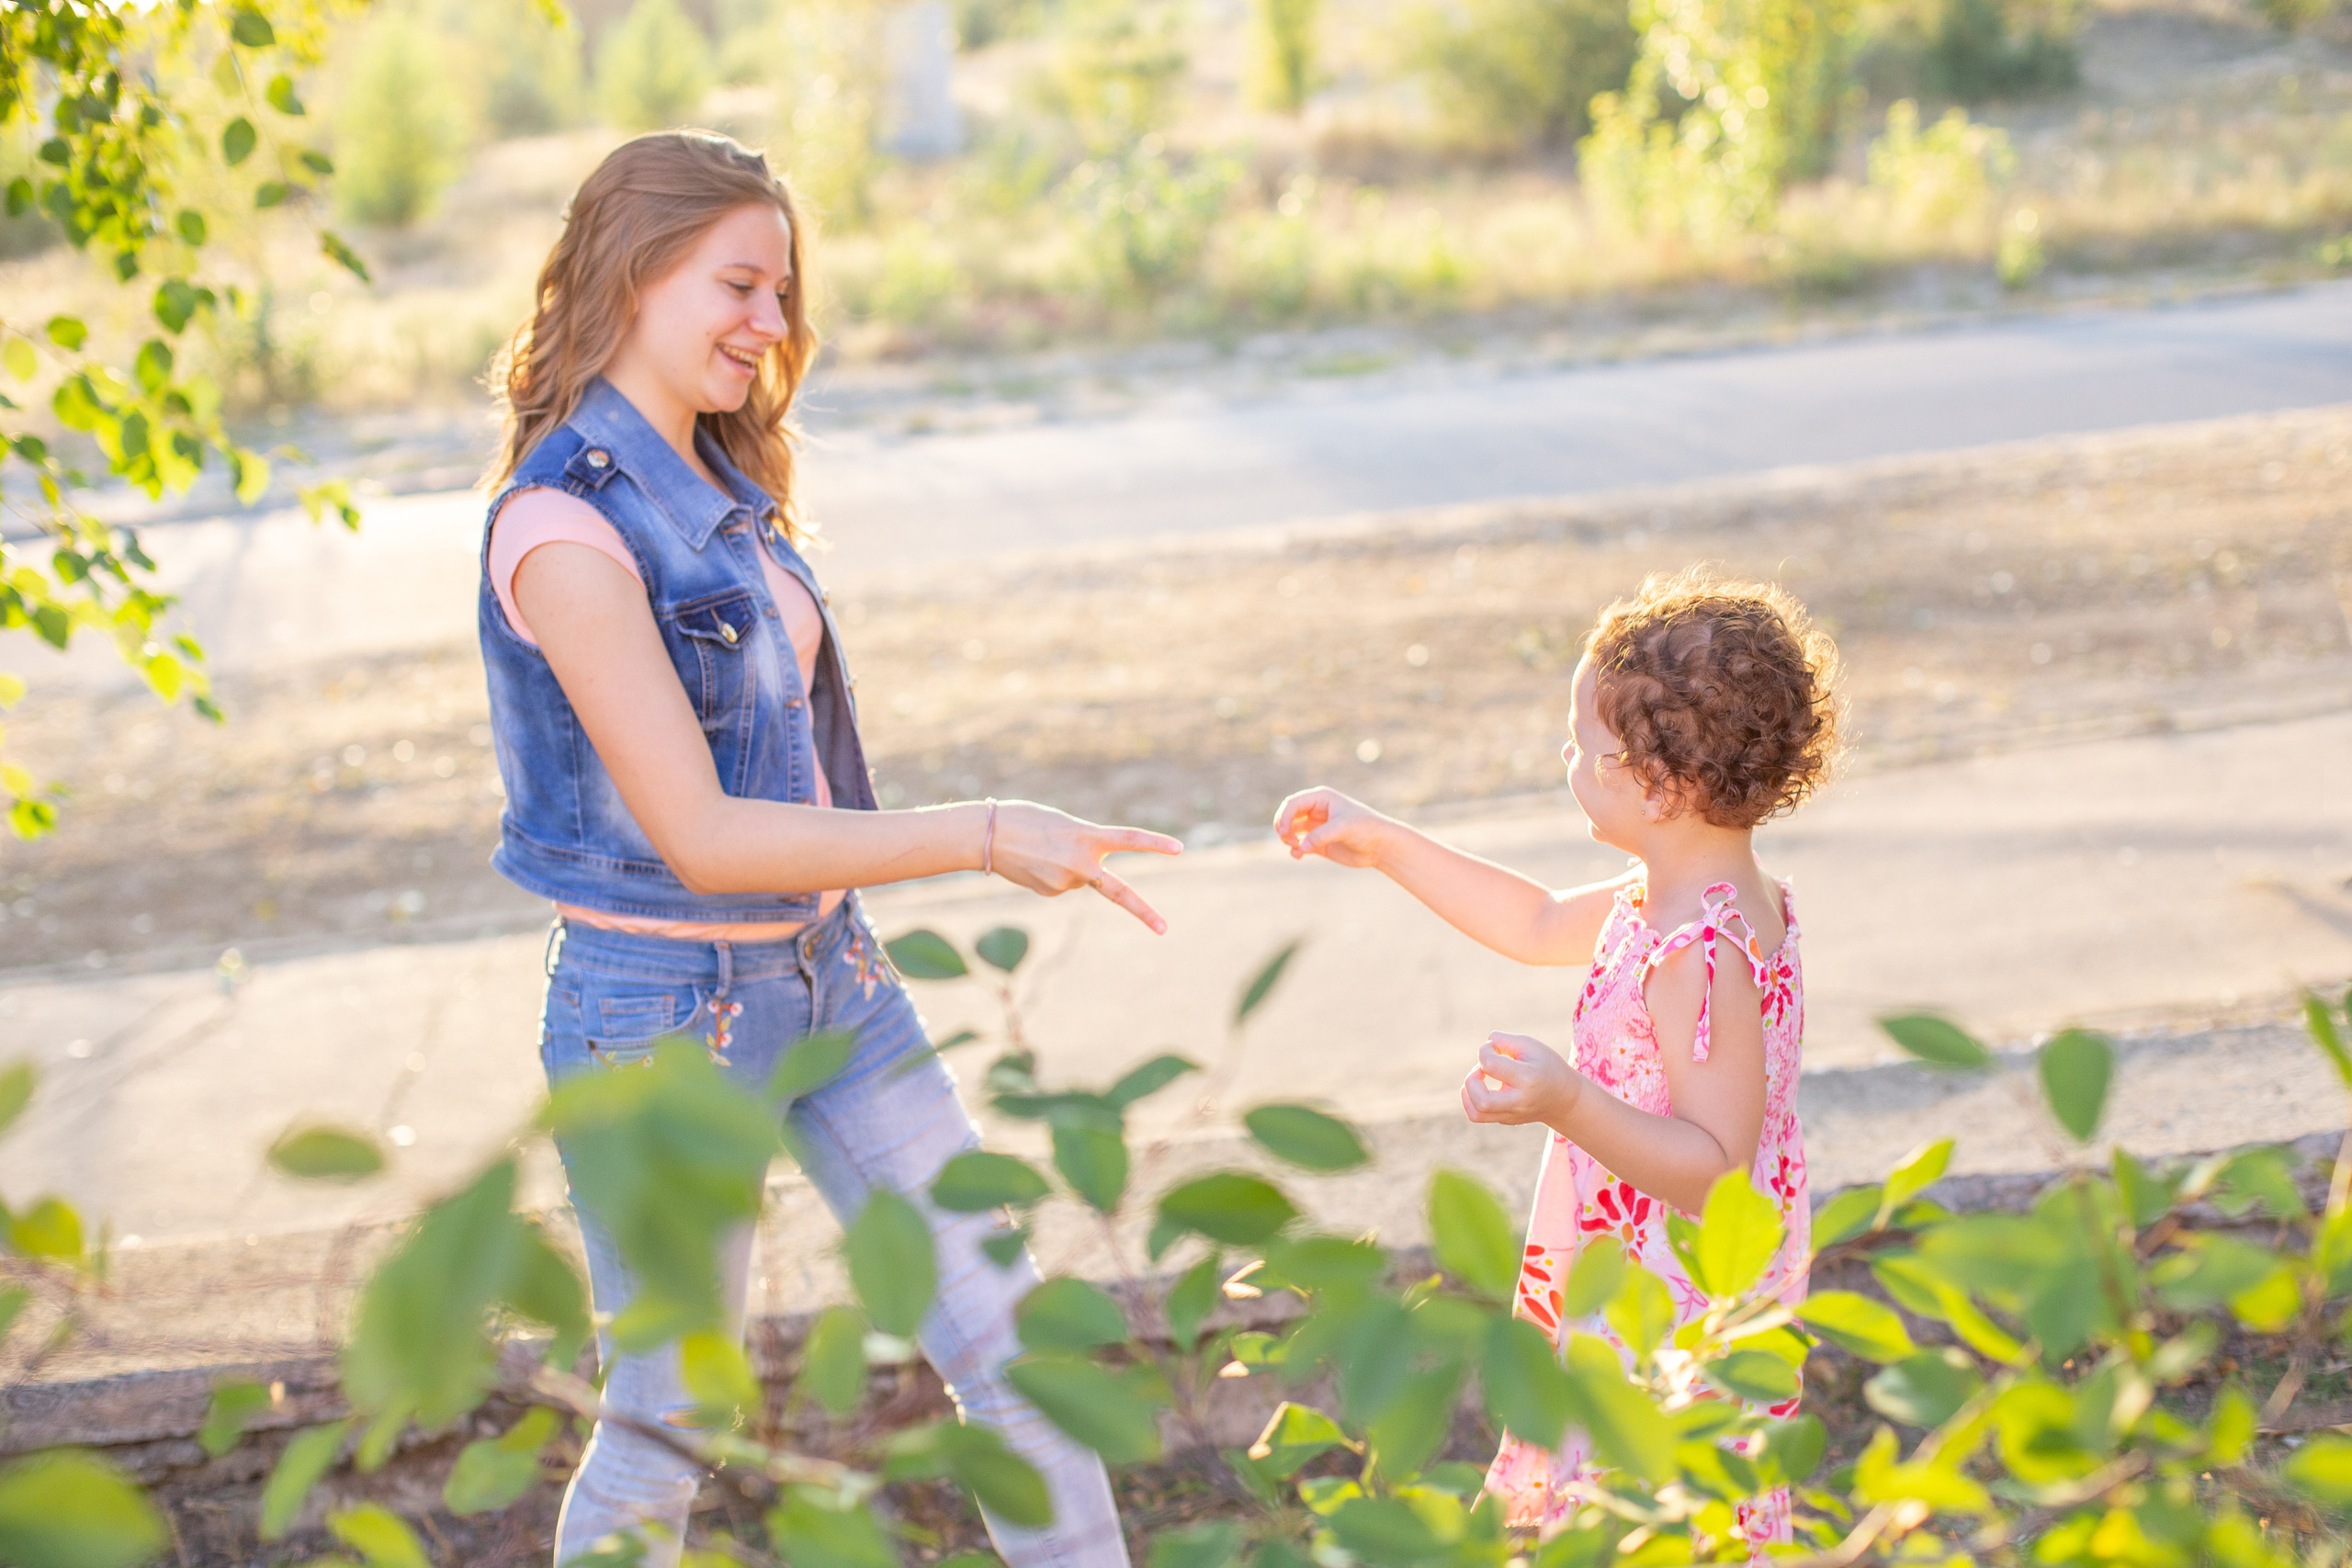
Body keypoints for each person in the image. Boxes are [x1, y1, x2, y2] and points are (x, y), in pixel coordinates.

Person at [480, 130, 1172, 1566]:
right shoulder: (562, 524)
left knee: (1016, 1347)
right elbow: (703, 829)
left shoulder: (718, 480)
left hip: (829, 975)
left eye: (782, 293)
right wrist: (982, 832)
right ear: (632, 272)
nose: (773, 325)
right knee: (669, 1412)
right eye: (740, 285)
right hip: (656, 1019)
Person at [1270, 570, 1842, 1558]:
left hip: (1675, 1294)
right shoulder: (1669, 896)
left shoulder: (1700, 954)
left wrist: (1566, 1101)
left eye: (1587, 750)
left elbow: (1715, 1172)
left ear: (1660, 787)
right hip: (1640, 1266)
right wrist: (1383, 840)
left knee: (1660, 1504)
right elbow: (1532, 921)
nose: (1566, 762)